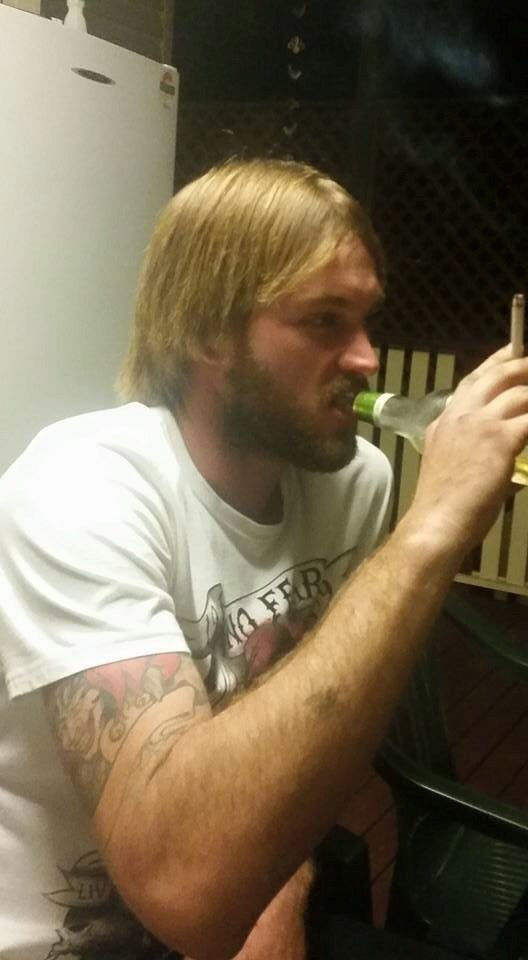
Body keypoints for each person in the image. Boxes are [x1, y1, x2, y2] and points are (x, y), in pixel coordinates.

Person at [0, 157, 527, 960]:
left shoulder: (354, 482)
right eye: (325, 322)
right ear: (208, 331)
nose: (367, 359)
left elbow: (309, 728)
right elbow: (181, 883)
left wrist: (280, 891)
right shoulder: (79, 489)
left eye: (367, 320)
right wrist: (432, 530)